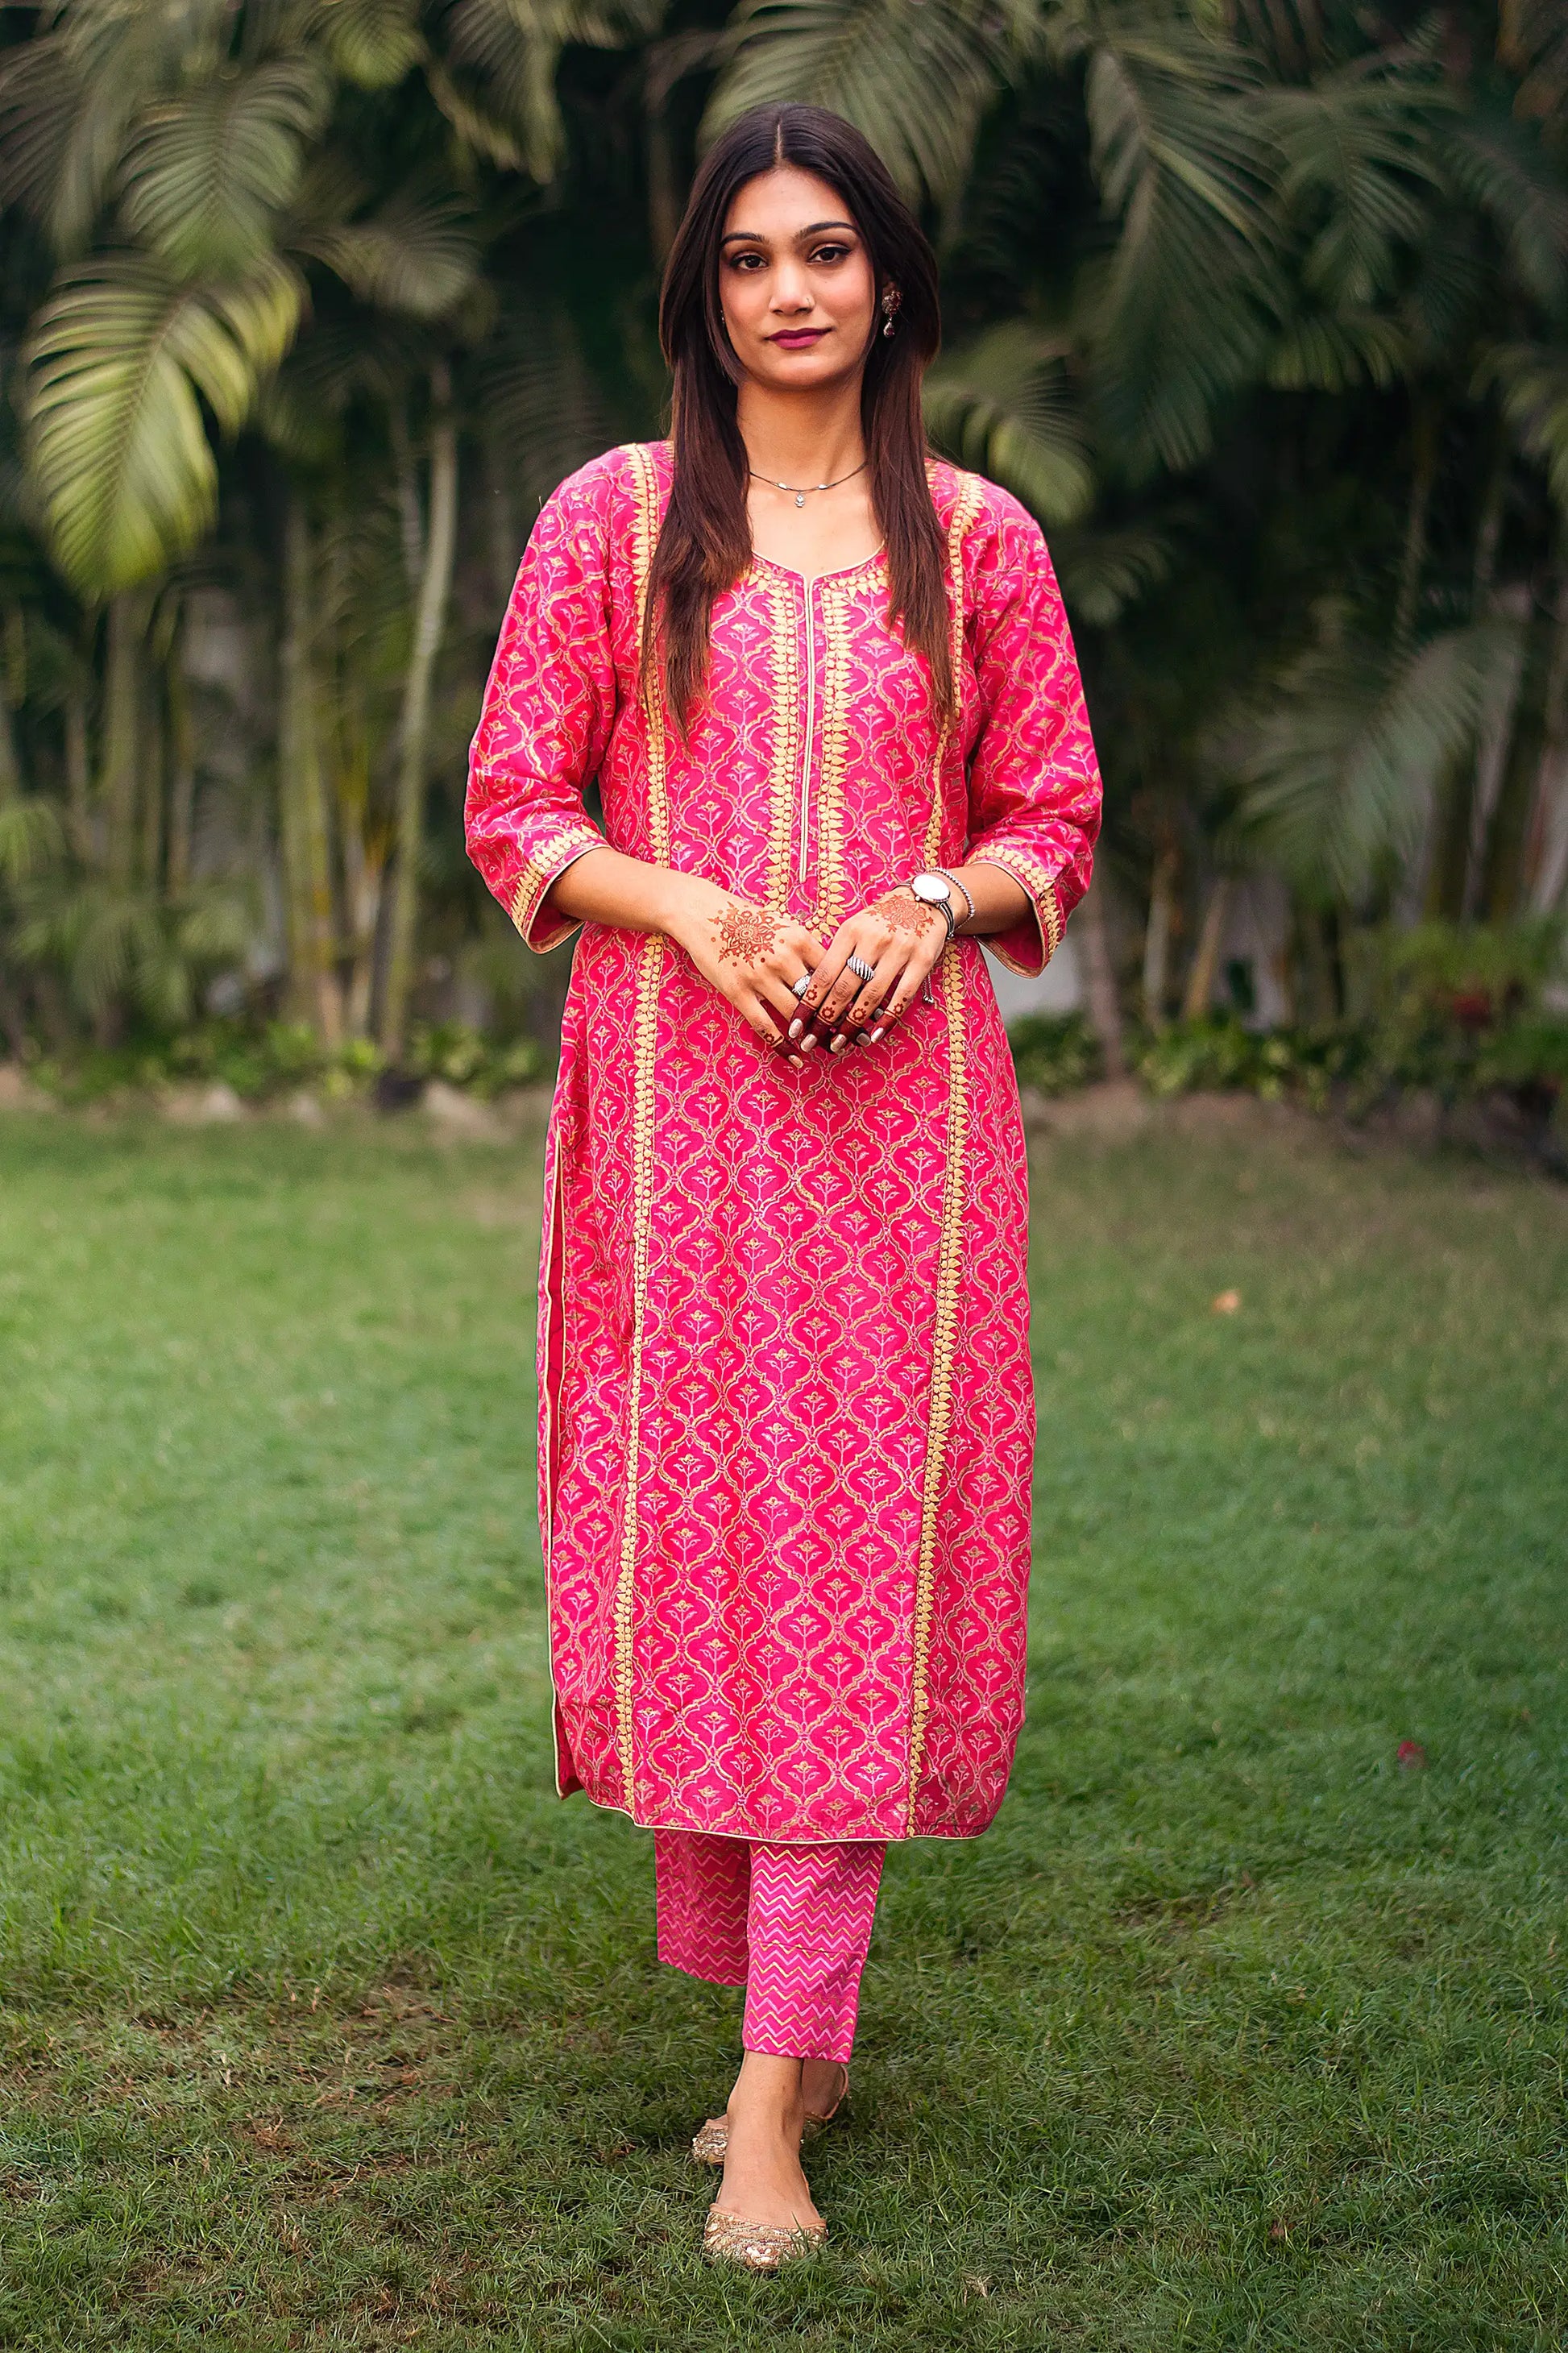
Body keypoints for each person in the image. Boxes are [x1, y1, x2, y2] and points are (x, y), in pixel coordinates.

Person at [465, 101, 1101, 2269]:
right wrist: (693, 911)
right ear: (702, 296)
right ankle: (788, 2016)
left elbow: (1058, 811)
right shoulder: (609, 522)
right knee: (718, 1555)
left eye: (827, 249)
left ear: (889, 282)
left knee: (862, 1564)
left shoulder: (977, 539)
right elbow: (510, 807)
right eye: (748, 258)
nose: (792, 288)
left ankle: (767, 2110)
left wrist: (932, 900)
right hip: (671, 1123)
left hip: (903, 1147)